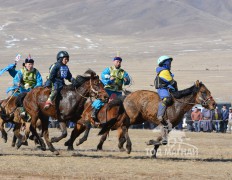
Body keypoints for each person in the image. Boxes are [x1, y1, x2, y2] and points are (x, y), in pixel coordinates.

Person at [91, 56, 131, 121]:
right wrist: (109, 77)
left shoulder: (123, 72)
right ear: (114, 62)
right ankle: (94, 112)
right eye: (117, 61)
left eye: (120, 62)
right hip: (108, 90)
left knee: (122, 104)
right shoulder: (109, 69)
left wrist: (126, 80)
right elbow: (103, 75)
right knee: (102, 100)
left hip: (118, 91)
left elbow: (128, 80)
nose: (119, 63)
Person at [154, 55, 177, 144]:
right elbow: (171, 82)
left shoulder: (167, 71)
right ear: (164, 63)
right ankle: (160, 115)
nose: (170, 64)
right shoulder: (164, 71)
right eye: (168, 62)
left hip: (168, 89)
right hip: (163, 89)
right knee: (166, 99)